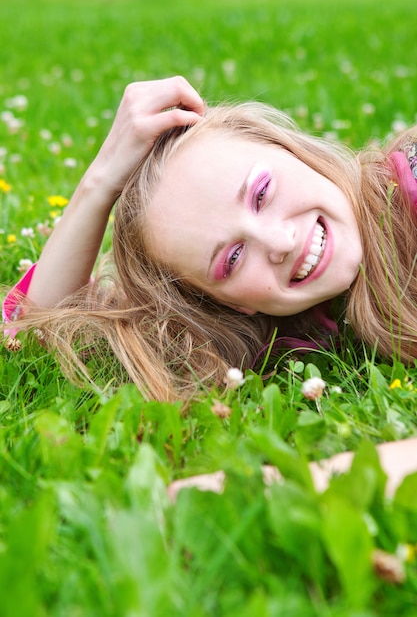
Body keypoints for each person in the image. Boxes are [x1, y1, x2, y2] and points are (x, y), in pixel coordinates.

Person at [2, 76, 417, 403]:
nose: (280, 242)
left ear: (291, 150)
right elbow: (34, 343)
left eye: (261, 193)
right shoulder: (276, 333)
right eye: (233, 259)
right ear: (230, 305)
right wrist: (98, 184)